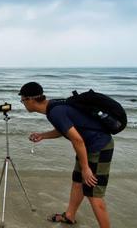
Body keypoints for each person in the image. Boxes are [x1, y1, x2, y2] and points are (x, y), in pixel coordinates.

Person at [19, 81, 114, 227]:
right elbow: (67, 129)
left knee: (93, 193)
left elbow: (77, 139)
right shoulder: (53, 107)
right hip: (87, 147)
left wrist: (86, 168)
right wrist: (43, 135)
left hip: (98, 146)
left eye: (22, 100)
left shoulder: (55, 111)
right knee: (78, 181)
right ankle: (69, 216)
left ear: (30, 99)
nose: (22, 103)